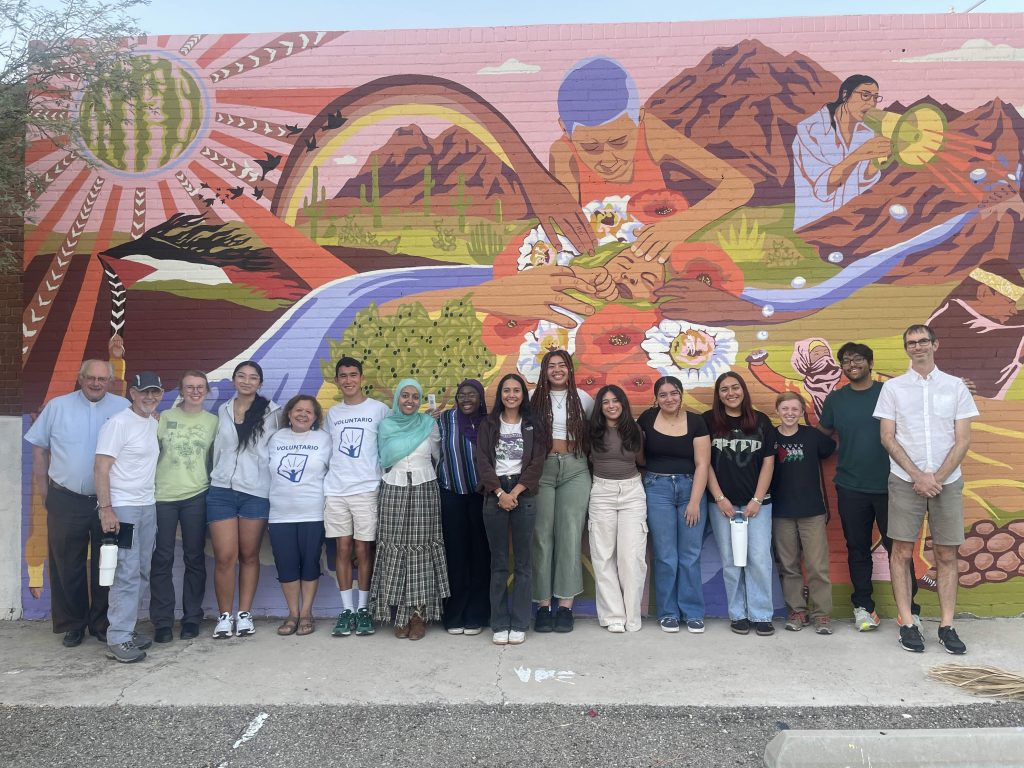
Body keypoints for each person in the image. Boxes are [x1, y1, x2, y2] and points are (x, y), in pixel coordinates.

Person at [550, 56, 753, 262]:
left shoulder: (650, 133)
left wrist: (680, 226)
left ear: (640, 118)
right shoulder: (564, 154)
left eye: (619, 142)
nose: (608, 158)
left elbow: (739, 185)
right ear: (565, 130)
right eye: (591, 147)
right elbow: (568, 235)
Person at [874, 324, 978, 654]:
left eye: (923, 341)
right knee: (901, 552)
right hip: (905, 481)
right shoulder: (893, 388)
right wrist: (918, 476)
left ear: (935, 344)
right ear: (906, 349)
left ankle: (947, 625)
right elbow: (887, 437)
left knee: (947, 554)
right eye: (911, 343)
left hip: (947, 481)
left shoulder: (955, 386)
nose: (917, 347)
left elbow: (963, 439)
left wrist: (936, 478)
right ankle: (907, 623)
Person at [25, 359, 128, 648]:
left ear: (110, 382)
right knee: (66, 565)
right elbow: (39, 451)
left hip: (110, 501)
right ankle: (73, 624)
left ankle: (102, 623)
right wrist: (45, 493)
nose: (96, 383)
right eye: (90, 378)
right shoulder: (57, 407)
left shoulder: (123, 408)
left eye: (102, 379)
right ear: (80, 379)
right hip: (65, 498)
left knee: (108, 564)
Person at [819, 342, 921, 632]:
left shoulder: (889, 392)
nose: (852, 365)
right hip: (850, 486)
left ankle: (909, 611)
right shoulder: (836, 400)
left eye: (858, 359)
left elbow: (919, 417)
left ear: (870, 362)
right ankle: (864, 608)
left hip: (893, 485)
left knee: (899, 549)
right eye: (846, 360)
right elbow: (823, 435)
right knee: (857, 549)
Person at [207, 360, 283, 639]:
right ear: (234, 380)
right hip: (221, 491)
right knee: (225, 557)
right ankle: (224, 616)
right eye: (242, 376)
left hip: (255, 492)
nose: (247, 381)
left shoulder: (273, 412)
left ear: (260, 383)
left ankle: (244, 614)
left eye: (253, 377)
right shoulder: (223, 409)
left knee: (249, 555)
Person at [370, 379, 449, 640]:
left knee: (420, 551)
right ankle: (399, 615)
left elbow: (438, 456)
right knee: (395, 549)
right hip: (393, 490)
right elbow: (382, 459)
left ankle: (418, 616)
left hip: (425, 490)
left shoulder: (429, 424)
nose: (410, 401)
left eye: (415, 396)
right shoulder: (386, 426)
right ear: (397, 398)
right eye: (405, 395)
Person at [94, 372, 162, 663]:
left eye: (155, 392)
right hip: (123, 508)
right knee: (126, 572)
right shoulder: (118, 423)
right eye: (144, 392)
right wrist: (106, 508)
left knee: (142, 570)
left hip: (147, 505)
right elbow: (101, 467)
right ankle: (118, 637)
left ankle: (127, 629)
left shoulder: (151, 422)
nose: (150, 397)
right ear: (132, 393)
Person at [475, 373, 547, 645]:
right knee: (499, 562)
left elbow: (537, 462)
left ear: (523, 395)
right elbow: (482, 461)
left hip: (522, 493)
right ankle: (499, 622)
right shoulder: (489, 424)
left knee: (524, 562)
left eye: (516, 390)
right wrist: (499, 493)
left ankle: (519, 622)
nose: (511, 395)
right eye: (506, 390)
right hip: (495, 493)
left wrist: (514, 492)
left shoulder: (532, 424)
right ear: (500, 395)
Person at [704, 372, 777, 636]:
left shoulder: (761, 421)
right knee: (731, 561)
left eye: (735, 387)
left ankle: (761, 615)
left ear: (743, 390)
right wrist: (719, 498)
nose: (730, 393)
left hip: (758, 505)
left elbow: (769, 463)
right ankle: (738, 614)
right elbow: (704, 463)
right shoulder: (708, 421)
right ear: (718, 395)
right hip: (721, 505)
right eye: (724, 389)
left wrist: (757, 499)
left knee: (759, 558)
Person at [638, 375, 711, 634]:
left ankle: (693, 612)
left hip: (690, 488)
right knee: (665, 555)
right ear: (656, 398)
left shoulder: (696, 422)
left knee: (690, 555)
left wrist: (695, 502)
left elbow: (703, 464)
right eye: (663, 394)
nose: (669, 398)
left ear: (681, 394)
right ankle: (668, 612)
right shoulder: (647, 419)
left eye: (673, 393)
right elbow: (638, 454)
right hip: (657, 489)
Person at [324, 357, 390, 638]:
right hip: (336, 490)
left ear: (362, 378)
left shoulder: (379, 410)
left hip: (367, 489)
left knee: (363, 550)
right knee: (342, 549)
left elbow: (391, 441)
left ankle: (363, 609)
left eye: (353, 375)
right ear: (337, 381)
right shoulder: (332, 414)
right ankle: (347, 610)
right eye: (343, 376)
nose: (348, 380)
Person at [150, 370, 217, 644]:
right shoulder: (163, 418)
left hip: (196, 496)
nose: (195, 391)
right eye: (190, 387)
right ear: (180, 390)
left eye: (200, 387)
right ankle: (162, 622)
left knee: (194, 558)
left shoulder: (213, 422)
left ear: (207, 391)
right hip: (163, 497)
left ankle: (191, 618)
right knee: (162, 559)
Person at [530, 349, 594, 633]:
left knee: (570, 534)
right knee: (541, 535)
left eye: (562, 365)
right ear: (544, 371)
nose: (557, 370)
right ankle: (543, 606)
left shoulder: (583, 398)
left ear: (570, 369)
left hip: (575, 468)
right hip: (541, 469)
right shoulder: (533, 397)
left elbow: (596, 429)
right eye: (551, 366)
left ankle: (565, 607)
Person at [771, 392, 836, 635]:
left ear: (801, 412)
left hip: (812, 511)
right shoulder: (770, 437)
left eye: (794, 409)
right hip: (781, 511)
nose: (789, 413)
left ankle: (821, 614)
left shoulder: (812, 436)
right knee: (789, 566)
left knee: (817, 566)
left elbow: (831, 448)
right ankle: (797, 611)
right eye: (785, 409)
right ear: (777, 411)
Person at [793, 74, 891, 229]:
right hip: (813, 226)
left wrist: (876, 159)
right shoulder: (810, 130)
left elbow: (862, 182)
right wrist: (859, 155)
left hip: (850, 224)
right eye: (865, 95)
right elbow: (823, 189)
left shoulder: (867, 132)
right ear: (845, 95)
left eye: (875, 98)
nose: (871, 104)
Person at [267, 395, 330, 637]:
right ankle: (292, 614)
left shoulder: (323, 439)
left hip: (312, 512)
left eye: (309, 412)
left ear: (315, 417)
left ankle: (306, 613)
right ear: (289, 413)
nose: (303, 415)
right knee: (286, 565)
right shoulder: (276, 438)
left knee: (310, 563)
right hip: (280, 514)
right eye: (298, 410)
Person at [588, 384, 647, 633]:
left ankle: (632, 616)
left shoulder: (635, 430)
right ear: (600, 407)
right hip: (601, 492)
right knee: (603, 556)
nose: (611, 406)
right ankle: (613, 616)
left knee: (631, 557)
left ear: (623, 403)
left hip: (632, 493)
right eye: (605, 402)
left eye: (615, 401)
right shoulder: (591, 432)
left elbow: (642, 461)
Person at [437, 379, 490, 636]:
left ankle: (477, 614)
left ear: (480, 398)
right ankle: (455, 613)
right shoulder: (444, 420)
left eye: (472, 394)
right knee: (455, 557)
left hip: (482, 497)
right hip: (452, 495)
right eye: (462, 395)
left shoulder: (489, 423)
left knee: (480, 556)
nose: (466, 399)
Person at [927, 258, 1024, 399]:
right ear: (983, 292)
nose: (1013, 311)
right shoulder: (948, 322)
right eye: (1009, 302)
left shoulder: (956, 314)